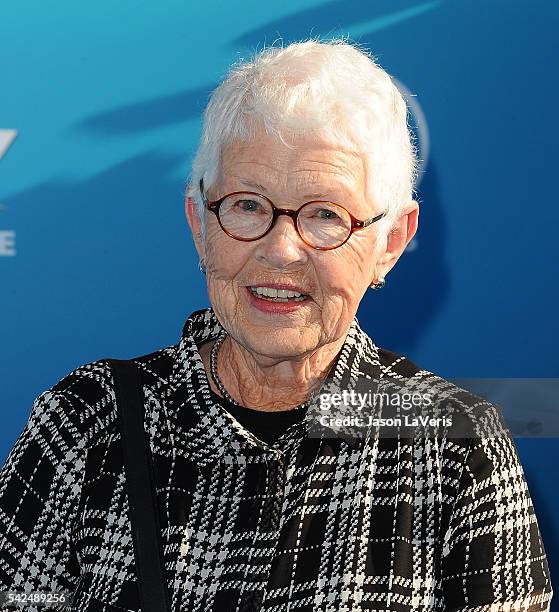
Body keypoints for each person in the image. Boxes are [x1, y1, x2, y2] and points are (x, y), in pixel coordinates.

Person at [0, 39, 552, 612]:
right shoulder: (87, 425)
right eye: (246, 206)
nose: (281, 250)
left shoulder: (456, 442)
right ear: (198, 221)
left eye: (325, 215)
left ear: (391, 241)